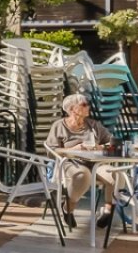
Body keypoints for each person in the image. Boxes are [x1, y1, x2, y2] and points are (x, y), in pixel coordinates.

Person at [45, 92, 118, 231]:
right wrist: (74, 149)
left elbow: (112, 143)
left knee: (115, 174)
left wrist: (100, 147)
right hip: (70, 163)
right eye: (84, 104)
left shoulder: (93, 125)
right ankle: (68, 208)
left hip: (95, 162)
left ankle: (108, 210)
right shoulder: (59, 126)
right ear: (72, 109)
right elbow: (51, 151)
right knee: (83, 176)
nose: (88, 106)